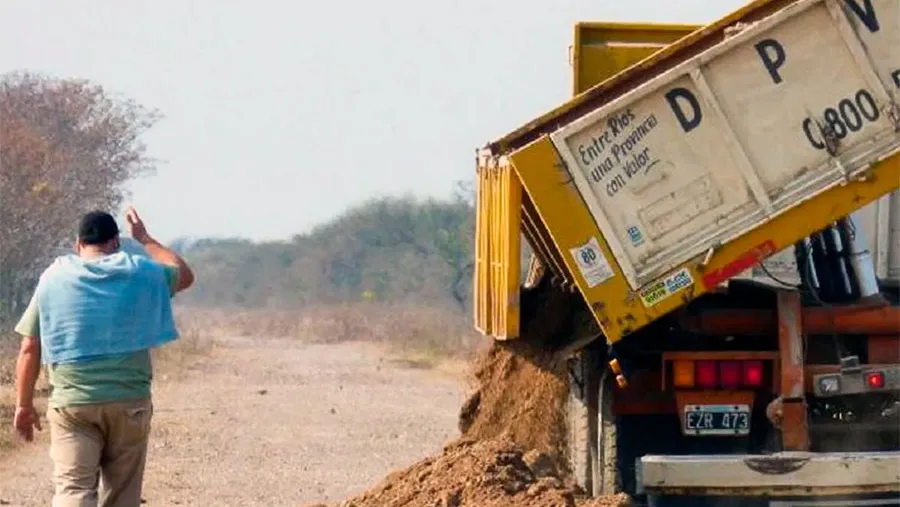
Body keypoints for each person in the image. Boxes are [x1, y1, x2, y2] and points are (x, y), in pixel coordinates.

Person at [13, 207, 195, 507]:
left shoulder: (53, 278)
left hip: (73, 405)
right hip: (129, 401)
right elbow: (184, 275)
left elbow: (29, 348)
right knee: (122, 494)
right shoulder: (141, 272)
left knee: (73, 489)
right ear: (115, 243)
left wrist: (23, 405)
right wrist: (145, 238)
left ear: (78, 244)